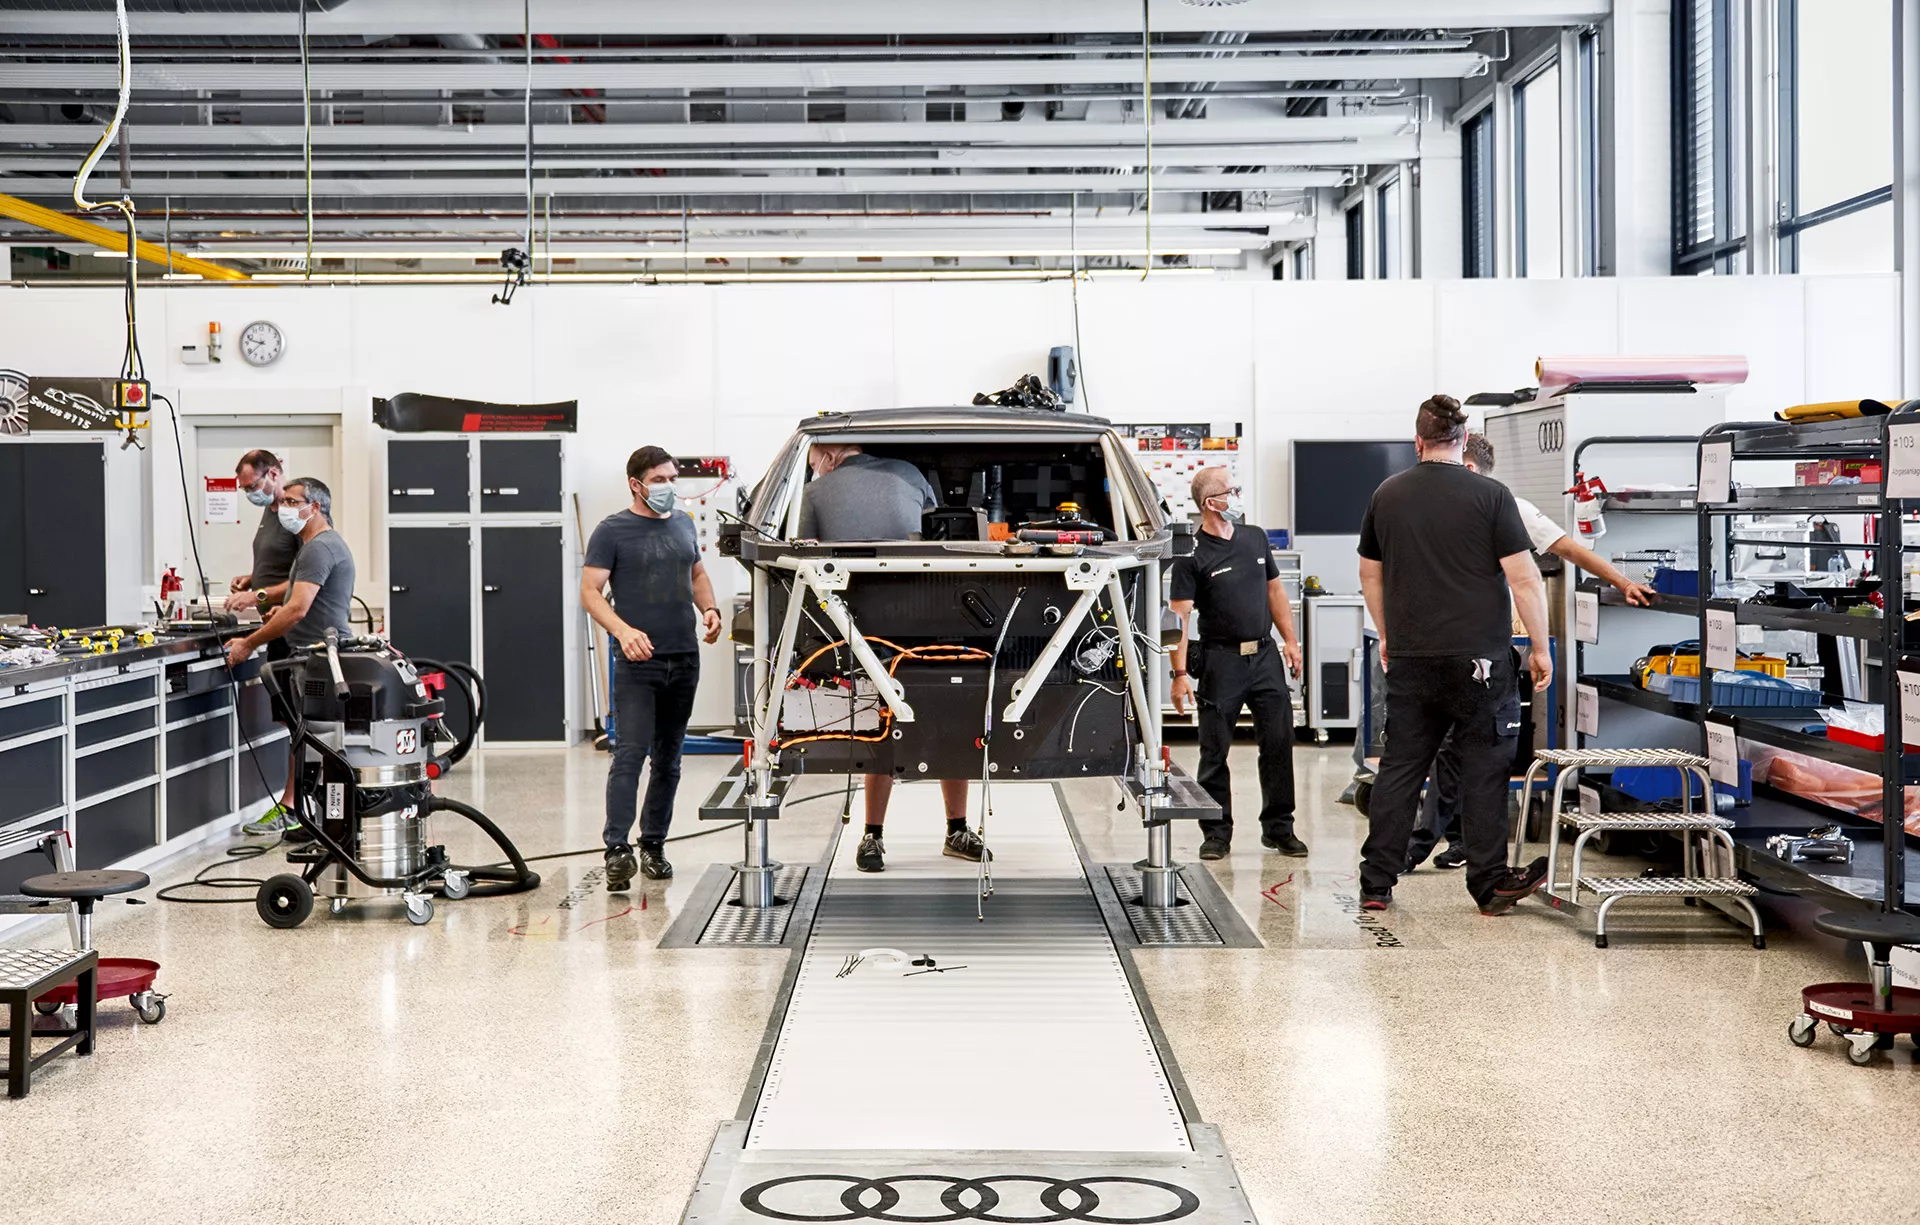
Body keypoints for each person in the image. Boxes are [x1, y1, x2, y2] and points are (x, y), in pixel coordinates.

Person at [1405, 433, 1657, 871]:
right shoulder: (1435, 505)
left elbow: (1566, 549)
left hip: (1481, 648)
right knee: (1450, 749)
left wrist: (1622, 581)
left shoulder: (1507, 506)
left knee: (1471, 748)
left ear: (1469, 467)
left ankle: (1429, 845)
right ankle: (1447, 841)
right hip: (1435, 644)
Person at [1355, 396, 1552, 915]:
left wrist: (1388, 634)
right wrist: (1539, 646)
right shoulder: (1491, 495)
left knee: (1401, 768)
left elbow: (1369, 573)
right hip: (1479, 662)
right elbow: (1525, 579)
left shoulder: (1387, 494)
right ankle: (1488, 885)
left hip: (1412, 659)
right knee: (1484, 769)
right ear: (1463, 441)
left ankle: (1376, 882)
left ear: (1417, 442)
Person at [798, 441, 985, 873]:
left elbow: (802, 552)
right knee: (951, 718)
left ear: (828, 452)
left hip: (859, 627)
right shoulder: (910, 474)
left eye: (814, 461)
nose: (815, 468)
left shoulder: (814, 492)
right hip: (933, 617)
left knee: (877, 728)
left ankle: (872, 837)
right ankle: (957, 830)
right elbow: (941, 535)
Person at [582, 447, 725, 891]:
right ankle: (617, 850)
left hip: (684, 658)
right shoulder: (612, 531)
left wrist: (710, 609)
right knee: (630, 755)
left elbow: (697, 574)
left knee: (669, 760)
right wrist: (622, 631)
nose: (668, 486)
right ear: (636, 484)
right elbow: (589, 592)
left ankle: (654, 845)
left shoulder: (683, 523)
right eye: (659, 479)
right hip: (638, 663)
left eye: (672, 478)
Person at [1168, 466, 1307, 861]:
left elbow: (1275, 592)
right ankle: (1216, 832)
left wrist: (1291, 641)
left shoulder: (1255, 538)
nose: (1238, 496)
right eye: (1232, 490)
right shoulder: (1191, 555)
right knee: (1214, 751)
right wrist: (1180, 675)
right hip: (1220, 661)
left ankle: (1279, 828)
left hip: (1264, 657)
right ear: (1212, 503)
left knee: (1278, 744)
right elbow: (1179, 618)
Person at [223, 478, 356, 824]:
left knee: (316, 740)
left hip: (318, 658)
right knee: (305, 734)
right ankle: (308, 817)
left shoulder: (318, 548)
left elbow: (298, 609)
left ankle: (313, 816)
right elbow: (299, 605)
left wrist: (248, 643)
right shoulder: (314, 546)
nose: (285, 508)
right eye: (284, 502)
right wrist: (277, 612)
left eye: (293, 502)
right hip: (311, 655)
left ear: (315, 507)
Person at [222, 450, 302, 656]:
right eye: (245, 489)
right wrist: (252, 578)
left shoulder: (297, 516)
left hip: (295, 632)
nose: (250, 494)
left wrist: (256, 596)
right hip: (273, 627)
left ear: (273, 474)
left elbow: (306, 580)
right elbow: (284, 563)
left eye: (252, 486)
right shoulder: (271, 510)